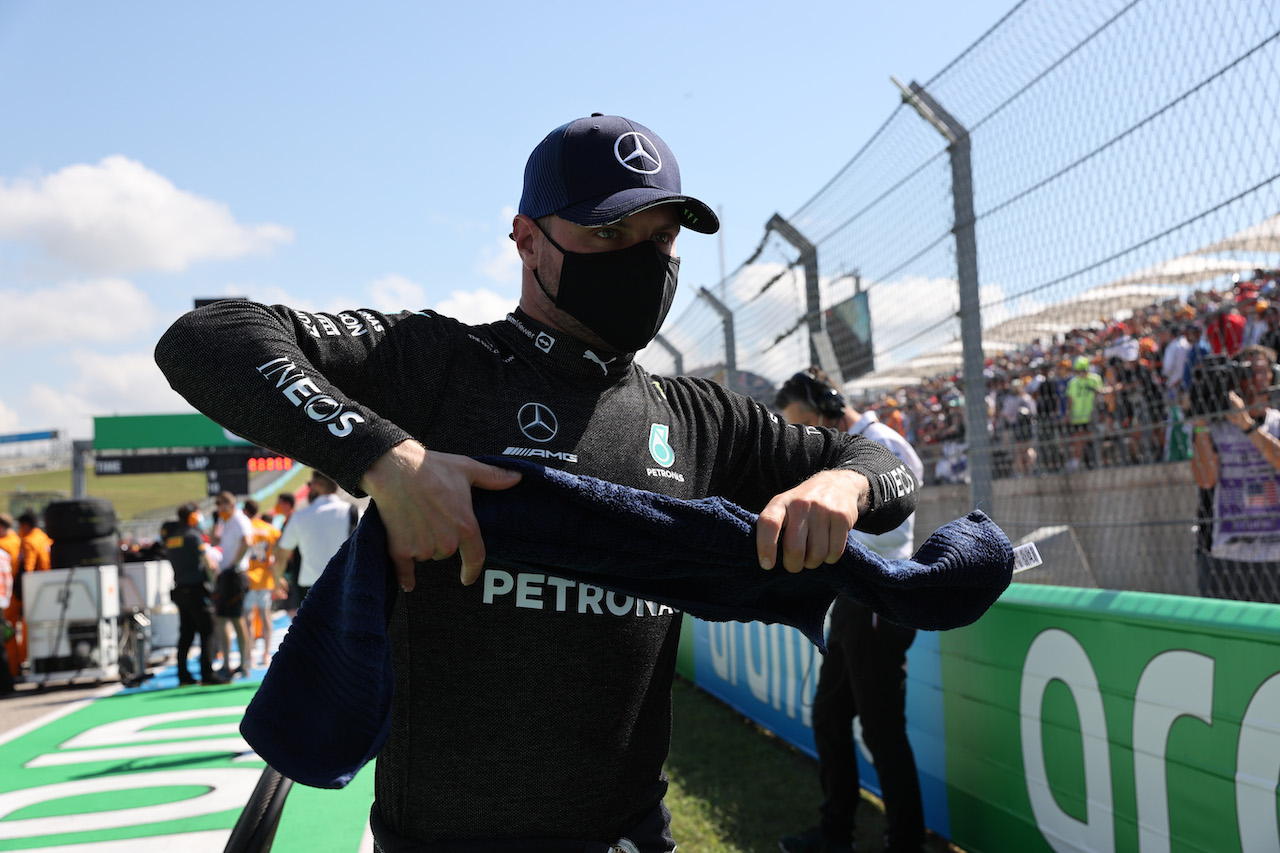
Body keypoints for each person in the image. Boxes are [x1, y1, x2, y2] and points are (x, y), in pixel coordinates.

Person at [154, 112, 918, 851]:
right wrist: (388, 457)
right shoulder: (441, 365)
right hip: (445, 841)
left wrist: (841, 487)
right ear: (527, 239)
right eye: (609, 233)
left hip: (633, 838)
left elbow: (891, 469)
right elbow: (207, 336)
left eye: (661, 238)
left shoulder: (699, 417)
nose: (642, 259)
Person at [774, 368, 927, 853]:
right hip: (852, 600)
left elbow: (896, 525)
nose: (805, 438)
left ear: (830, 405)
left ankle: (905, 844)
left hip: (880, 603)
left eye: (806, 424)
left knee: (882, 732)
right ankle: (836, 833)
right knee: (828, 717)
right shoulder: (842, 448)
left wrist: (823, 542)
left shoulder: (884, 444)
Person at [1190, 343, 1280, 603]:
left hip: (1274, 553)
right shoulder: (1215, 427)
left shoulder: (1276, 422)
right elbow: (1205, 479)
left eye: (1263, 372)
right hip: (1225, 554)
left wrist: (1247, 426)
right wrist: (1201, 425)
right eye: (1249, 373)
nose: (1257, 380)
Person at [161, 503, 225, 685]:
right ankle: (207, 673)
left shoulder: (172, 538)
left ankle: (183, 675)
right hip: (197, 590)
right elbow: (209, 564)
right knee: (208, 631)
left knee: (186, 633)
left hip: (181, 590)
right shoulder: (193, 537)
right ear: (193, 517)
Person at [272, 472, 356, 604]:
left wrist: (277, 580)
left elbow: (281, 555)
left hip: (311, 588)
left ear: (318, 486)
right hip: (345, 585)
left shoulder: (299, 517)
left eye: (310, 485)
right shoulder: (354, 512)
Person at [211, 492, 254, 678]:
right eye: (219, 505)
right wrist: (216, 522)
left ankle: (244, 663)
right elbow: (214, 541)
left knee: (237, 619)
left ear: (232, 504)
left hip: (236, 575)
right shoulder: (225, 522)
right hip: (225, 575)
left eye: (224, 505)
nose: (221, 508)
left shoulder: (239, 519)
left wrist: (234, 564)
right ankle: (227, 663)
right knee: (221, 620)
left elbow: (247, 541)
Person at [242, 498, 280, 666]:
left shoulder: (245, 528)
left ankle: (249, 654)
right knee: (266, 617)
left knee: (248, 618)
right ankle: (265, 654)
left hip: (248, 576)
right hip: (265, 576)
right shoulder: (269, 529)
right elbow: (279, 547)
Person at [272, 492, 303, 616]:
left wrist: (279, 574)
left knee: (295, 610)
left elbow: (286, 550)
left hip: (295, 569)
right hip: (291, 570)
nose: (276, 506)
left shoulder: (294, 519)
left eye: (279, 504)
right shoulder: (287, 521)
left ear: (287, 504)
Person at [0, 513, 20, 685]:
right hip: (11, 595)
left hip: (7, 600)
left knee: (5, 639)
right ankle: (14, 669)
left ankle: (10, 674)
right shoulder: (17, 540)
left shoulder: (3, 545)